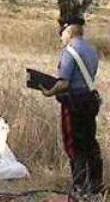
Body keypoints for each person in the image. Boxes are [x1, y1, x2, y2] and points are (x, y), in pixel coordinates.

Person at [41, 16, 103, 195]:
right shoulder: (91, 50)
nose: (61, 37)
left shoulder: (70, 51)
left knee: (74, 144)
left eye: (62, 33)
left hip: (73, 103)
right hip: (89, 101)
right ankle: (96, 186)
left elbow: (64, 83)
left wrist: (49, 91)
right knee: (90, 143)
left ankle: (79, 187)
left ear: (68, 32)